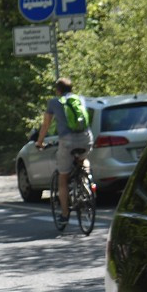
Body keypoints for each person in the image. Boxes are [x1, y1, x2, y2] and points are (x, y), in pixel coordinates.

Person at [35, 77, 93, 225]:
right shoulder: (80, 99)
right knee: (83, 159)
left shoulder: (54, 102)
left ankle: (65, 214)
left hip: (67, 141)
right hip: (86, 137)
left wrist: (39, 142)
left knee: (63, 176)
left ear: (58, 90)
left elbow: (46, 124)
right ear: (71, 88)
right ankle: (86, 183)